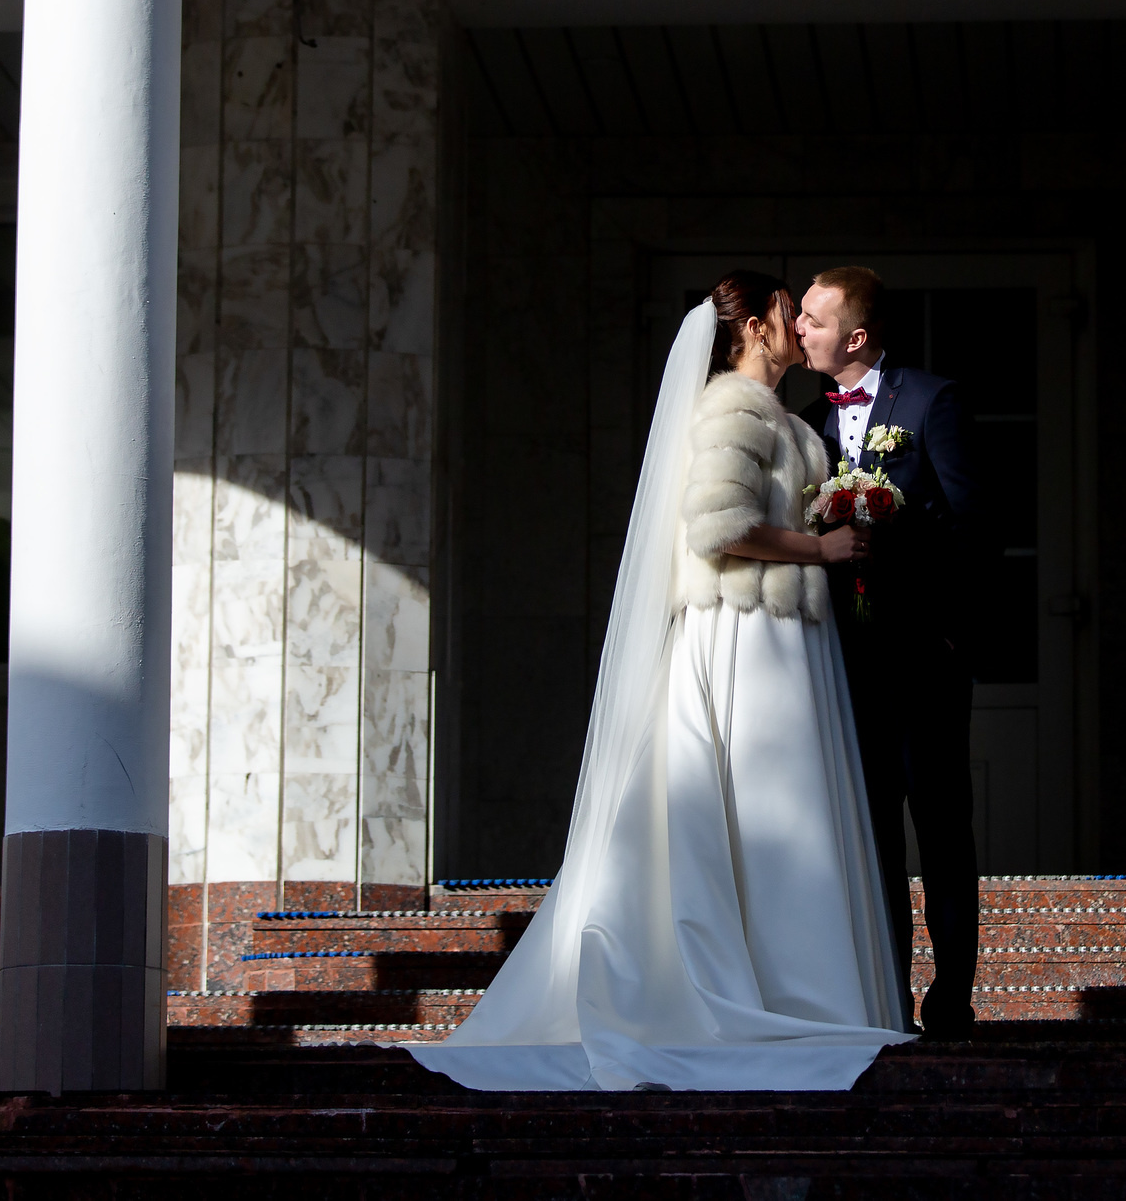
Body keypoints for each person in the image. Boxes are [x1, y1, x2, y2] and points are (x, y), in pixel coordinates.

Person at [412, 272, 914, 1091]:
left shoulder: (785, 420)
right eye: (788, 310)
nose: (797, 322)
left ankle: (808, 989)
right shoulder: (732, 410)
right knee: (756, 806)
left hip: (791, 641)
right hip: (748, 637)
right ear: (754, 327)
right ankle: (771, 993)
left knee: (785, 816)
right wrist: (819, 550)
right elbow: (719, 526)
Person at [795, 267, 982, 1039]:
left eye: (813, 318)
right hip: (847, 666)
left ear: (857, 335)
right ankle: (886, 998)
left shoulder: (930, 400)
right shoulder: (808, 418)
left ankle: (952, 998)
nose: (799, 327)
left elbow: (971, 523)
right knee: (870, 837)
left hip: (924, 658)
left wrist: (948, 628)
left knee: (941, 829)